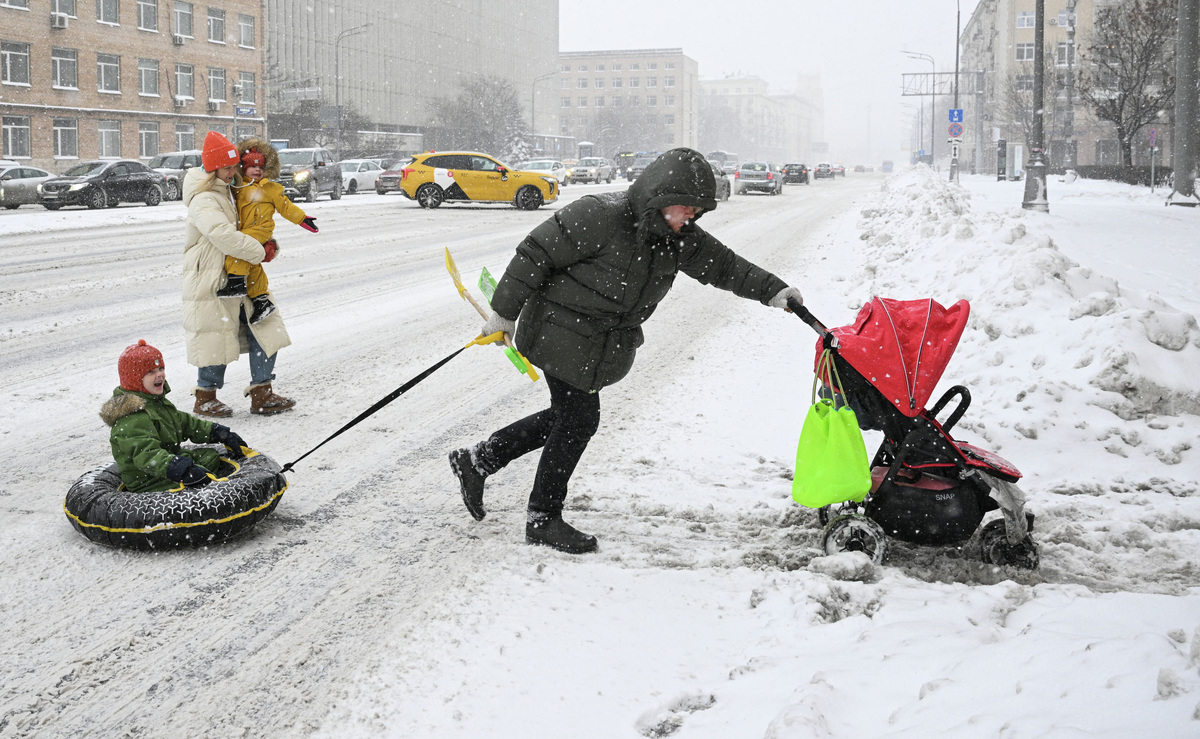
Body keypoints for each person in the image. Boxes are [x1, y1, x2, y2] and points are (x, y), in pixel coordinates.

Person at [448, 147, 805, 554]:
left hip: (596, 342)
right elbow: (536, 253)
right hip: (559, 330)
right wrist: (504, 314)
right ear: (660, 195)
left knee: (569, 417)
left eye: (697, 211)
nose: (692, 217)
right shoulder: (599, 215)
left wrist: (776, 291)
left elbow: (725, 266)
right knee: (579, 419)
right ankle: (542, 517)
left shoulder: (678, 238)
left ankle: (478, 460)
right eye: (686, 207)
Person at [183, 131, 296, 417]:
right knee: (217, 335)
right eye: (228, 167)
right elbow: (223, 235)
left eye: (236, 166)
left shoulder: (231, 189)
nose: (235, 172)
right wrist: (259, 251)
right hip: (214, 276)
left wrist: (266, 240)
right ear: (212, 168)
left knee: (265, 327)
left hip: (244, 271)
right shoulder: (204, 198)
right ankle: (205, 396)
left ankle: (263, 393)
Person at [100, 339, 249, 493]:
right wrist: (179, 469)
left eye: (161, 368)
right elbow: (147, 455)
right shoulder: (132, 418)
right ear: (135, 379)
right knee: (202, 476)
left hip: (167, 464)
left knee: (210, 457)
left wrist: (217, 431)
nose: (159, 375)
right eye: (151, 372)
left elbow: (184, 422)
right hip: (149, 481)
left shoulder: (156, 402)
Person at [220, 137, 319, 326]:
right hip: (245, 230)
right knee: (253, 263)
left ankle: (236, 282)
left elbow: (286, 207)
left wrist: (303, 219)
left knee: (239, 248)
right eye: (252, 166)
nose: (257, 170)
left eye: (260, 167)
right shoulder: (238, 186)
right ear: (243, 168)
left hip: (261, 230)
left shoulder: (270, 189)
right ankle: (261, 300)